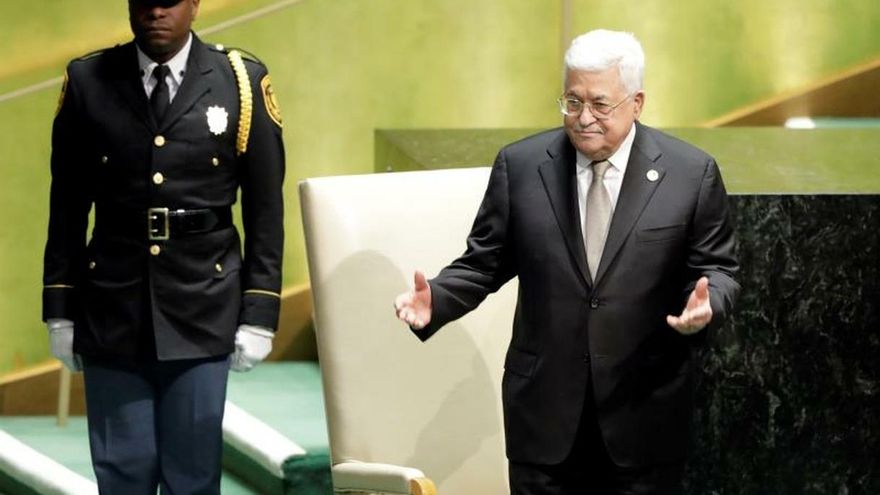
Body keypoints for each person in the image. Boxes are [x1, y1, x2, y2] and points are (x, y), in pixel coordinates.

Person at [394, 29, 739, 494]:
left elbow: (718, 270)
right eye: (572, 102)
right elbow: (483, 263)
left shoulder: (690, 173)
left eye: (600, 104)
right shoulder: (521, 166)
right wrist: (437, 298)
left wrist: (707, 305)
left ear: (636, 103)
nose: (583, 118)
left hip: (642, 417)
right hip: (544, 417)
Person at [42, 0, 285, 492]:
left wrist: (260, 312)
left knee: (191, 476)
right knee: (122, 472)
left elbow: (265, 209)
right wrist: (60, 308)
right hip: (112, 307)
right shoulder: (89, 80)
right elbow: (67, 206)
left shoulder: (239, 80)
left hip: (204, 302)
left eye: (169, 0)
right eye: (143, 0)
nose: (155, 11)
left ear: (194, 5)